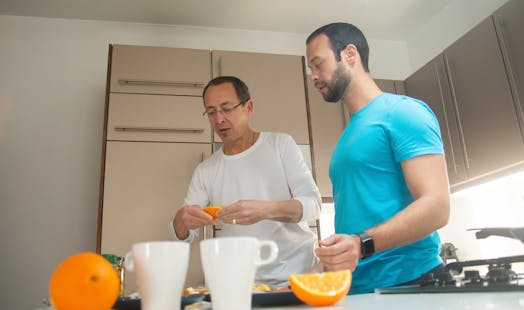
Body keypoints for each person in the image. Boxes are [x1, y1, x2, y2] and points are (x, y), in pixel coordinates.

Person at [305, 23, 450, 294]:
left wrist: (361, 244)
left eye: (317, 64)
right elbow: (358, 221)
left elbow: (437, 206)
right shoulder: (347, 138)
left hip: (410, 285)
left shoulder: (403, 112)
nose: (313, 76)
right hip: (359, 290)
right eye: (310, 69)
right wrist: (327, 263)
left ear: (350, 54)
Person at [169, 76, 321, 288]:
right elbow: (181, 237)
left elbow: (313, 205)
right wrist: (181, 220)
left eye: (226, 108)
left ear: (248, 107)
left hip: (300, 277)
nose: (219, 119)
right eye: (211, 112)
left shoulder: (280, 145)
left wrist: (264, 210)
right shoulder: (206, 170)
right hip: (244, 285)